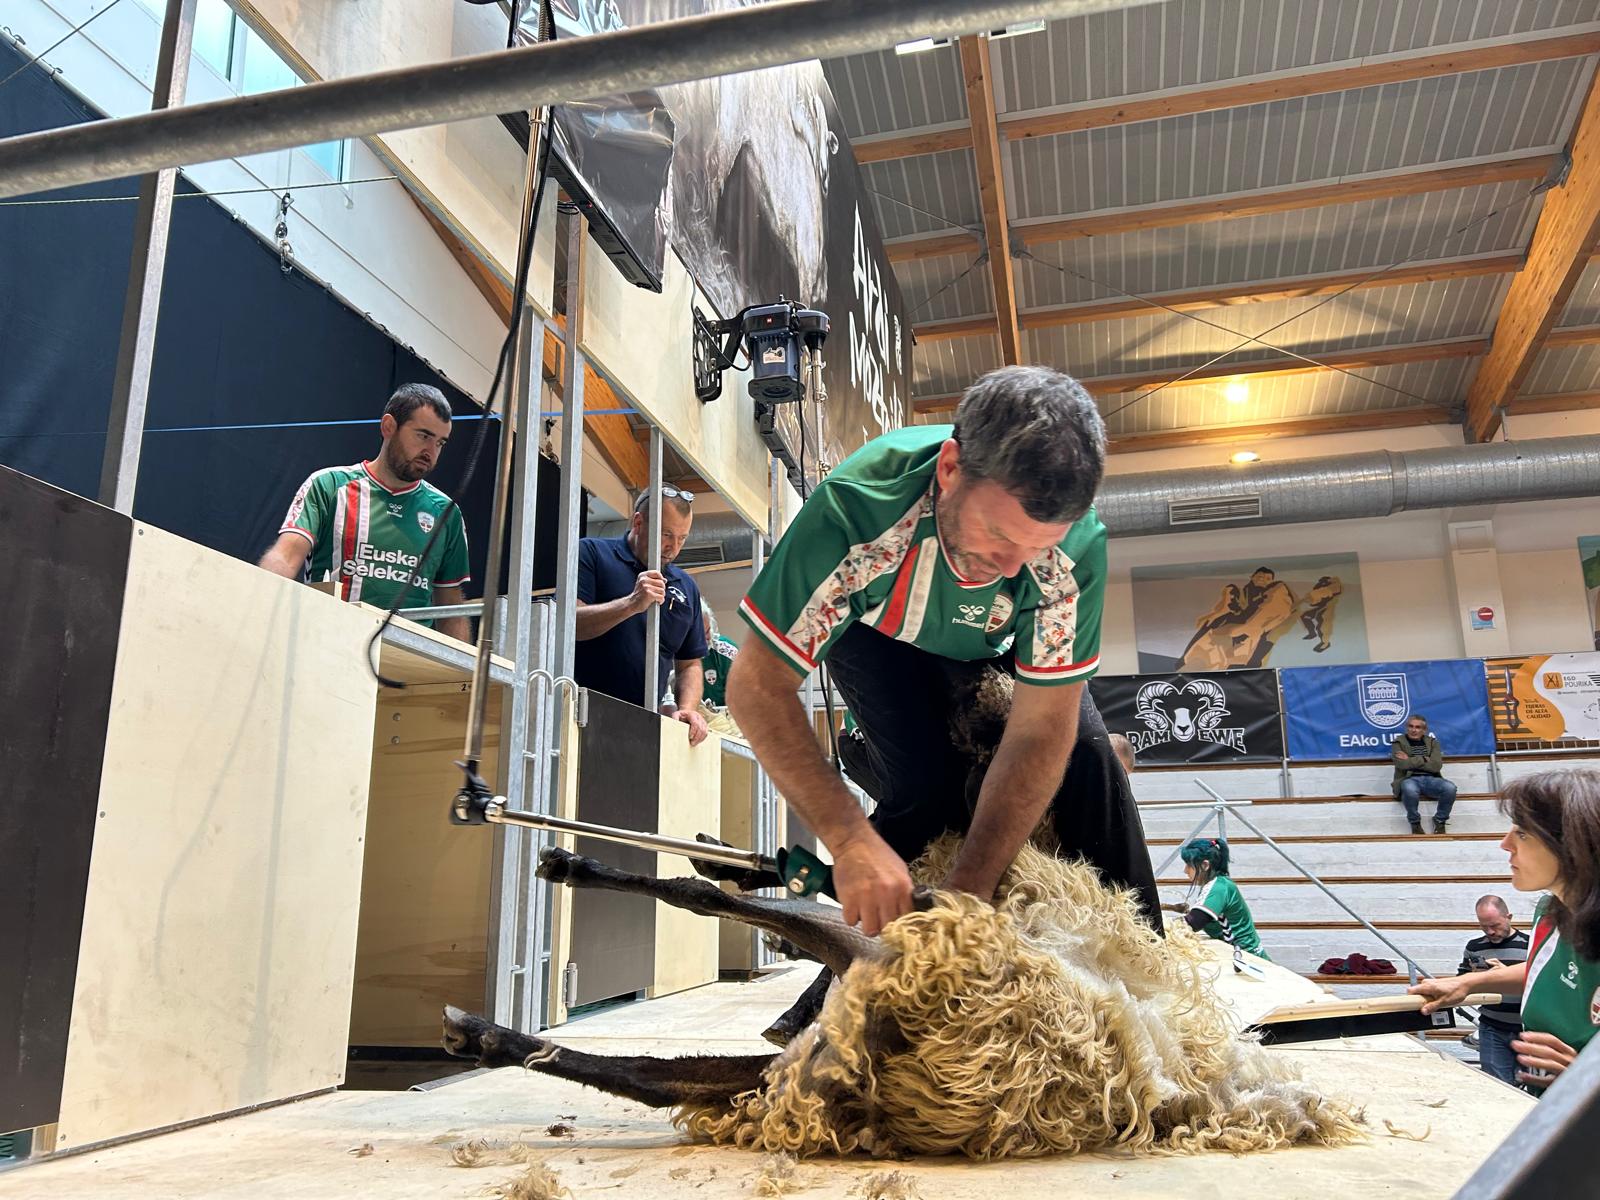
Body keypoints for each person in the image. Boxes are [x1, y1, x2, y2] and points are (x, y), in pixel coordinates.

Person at [728, 365, 1158, 944]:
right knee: (925, 792)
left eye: (1038, 547)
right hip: (876, 633)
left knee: (1089, 757)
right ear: (951, 469)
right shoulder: (858, 510)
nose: (1013, 568)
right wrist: (851, 839)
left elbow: (1040, 731)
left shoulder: (1071, 554)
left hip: (990, 640)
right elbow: (757, 685)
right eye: (1000, 535)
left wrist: (969, 893)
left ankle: (1148, 963)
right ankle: (852, 980)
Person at [1412, 770, 1600, 1094]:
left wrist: (1589, 1078)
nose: (1505, 844)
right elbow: (1544, 972)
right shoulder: (1550, 909)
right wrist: (1466, 982)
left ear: (1571, 844)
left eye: (1523, 833)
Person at [259, 383, 470, 641]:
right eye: (423, 436)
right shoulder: (328, 485)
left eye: (440, 443)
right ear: (389, 426)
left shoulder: (447, 513)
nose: (431, 452)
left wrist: (463, 681)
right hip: (329, 647)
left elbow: (451, 607)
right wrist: (256, 610)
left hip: (410, 666)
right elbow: (285, 557)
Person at [575, 487, 709, 746]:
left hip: (644, 726)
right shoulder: (592, 553)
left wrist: (688, 708)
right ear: (638, 522)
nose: (673, 548)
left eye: (682, 538)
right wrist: (631, 604)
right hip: (582, 714)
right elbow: (569, 624)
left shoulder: (686, 586)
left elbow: (690, 664)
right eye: (666, 534)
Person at [1458, 894, 1530, 1085]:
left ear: (1509, 917)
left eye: (1495, 925)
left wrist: (1507, 975)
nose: (1490, 931)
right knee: (1497, 1086)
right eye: (1484, 926)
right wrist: (1474, 978)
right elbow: (1460, 983)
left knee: (1532, 1088)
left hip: (1527, 1029)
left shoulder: (1531, 946)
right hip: (1492, 1027)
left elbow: (1542, 987)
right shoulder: (1474, 947)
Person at [1163, 837, 1267, 959]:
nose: (1185, 870)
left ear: (1205, 865)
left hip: (1246, 957)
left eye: (1189, 865)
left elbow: (1192, 923)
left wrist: (1155, 926)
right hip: (1243, 954)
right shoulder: (1217, 884)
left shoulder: (1219, 888)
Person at [1391, 714, 1456, 834]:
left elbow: (1436, 766)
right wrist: (1424, 759)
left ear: (1424, 730)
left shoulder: (1433, 743)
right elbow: (1402, 765)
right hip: (1409, 779)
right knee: (1409, 789)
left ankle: (1440, 820)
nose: (1413, 730)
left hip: (1431, 778)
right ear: (1407, 727)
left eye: (1417, 727)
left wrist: (1410, 759)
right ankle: (1415, 822)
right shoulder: (1398, 742)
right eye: (1410, 726)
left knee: (1450, 788)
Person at [700, 607, 739, 708]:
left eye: (708, 631)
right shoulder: (673, 652)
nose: (706, 638)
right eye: (699, 635)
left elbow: (744, 695)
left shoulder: (727, 650)